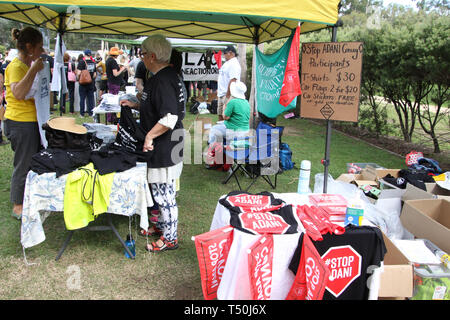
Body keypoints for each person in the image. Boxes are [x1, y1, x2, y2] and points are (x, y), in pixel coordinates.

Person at [120, 34, 185, 253]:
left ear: (153, 56)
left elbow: (169, 117)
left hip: (165, 143)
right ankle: (163, 226)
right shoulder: (165, 76)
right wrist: (136, 105)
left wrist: (149, 136)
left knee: (164, 194)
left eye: (143, 54)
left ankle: (170, 238)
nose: (141, 58)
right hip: (171, 141)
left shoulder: (163, 79)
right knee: (162, 190)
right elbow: (158, 107)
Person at [3, 27, 45, 220]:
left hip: (31, 121)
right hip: (20, 122)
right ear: (29, 47)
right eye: (39, 47)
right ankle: (18, 205)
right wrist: (33, 70)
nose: (42, 51)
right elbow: (19, 93)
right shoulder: (15, 67)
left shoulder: (27, 65)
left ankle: (29, 198)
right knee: (23, 163)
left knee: (32, 162)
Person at [208, 80, 250, 145]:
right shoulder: (246, 102)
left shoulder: (232, 102)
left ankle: (212, 149)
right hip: (245, 130)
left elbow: (225, 117)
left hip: (234, 131)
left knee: (214, 129)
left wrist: (225, 105)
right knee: (220, 125)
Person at [217, 45, 241, 121]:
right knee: (220, 115)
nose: (223, 55)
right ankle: (221, 132)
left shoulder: (234, 64)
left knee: (227, 117)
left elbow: (233, 80)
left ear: (230, 53)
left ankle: (227, 132)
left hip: (228, 95)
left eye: (225, 53)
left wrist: (228, 96)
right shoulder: (227, 63)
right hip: (221, 94)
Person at [76, 49, 96, 116]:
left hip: (83, 83)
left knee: (82, 98)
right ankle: (91, 113)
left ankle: (82, 113)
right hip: (91, 83)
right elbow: (95, 74)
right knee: (90, 98)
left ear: (84, 54)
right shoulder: (93, 62)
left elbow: (78, 73)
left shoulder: (81, 62)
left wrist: (78, 79)